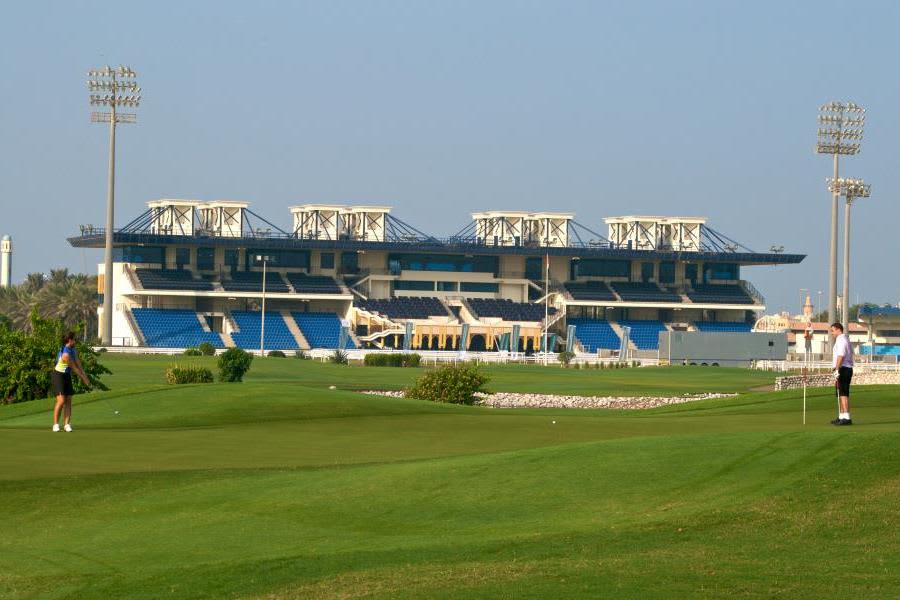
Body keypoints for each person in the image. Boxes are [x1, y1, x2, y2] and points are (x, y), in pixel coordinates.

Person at [52, 332, 90, 432]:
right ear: (70, 340)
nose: (76, 341)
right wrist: (84, 379)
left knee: (68, 400)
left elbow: (78, 362)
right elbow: (74, 368)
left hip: (66, 375)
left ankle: (67, 425)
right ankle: (55, 424)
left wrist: (84, 374)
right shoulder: (65, 354)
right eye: (74, 339)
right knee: (61, 401)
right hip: (58, 375)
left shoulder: (73, 349)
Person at [830, 322, 854, 426]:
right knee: (840, 393)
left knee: (843, 393)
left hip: (843, 368)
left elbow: (841, 356)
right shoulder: (841, 340)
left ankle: (847, 417)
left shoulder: (842, 340)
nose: (832, 333)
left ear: (838, 329)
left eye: (832, 330)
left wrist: (836, 369)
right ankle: (842, 416)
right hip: (842, 368)